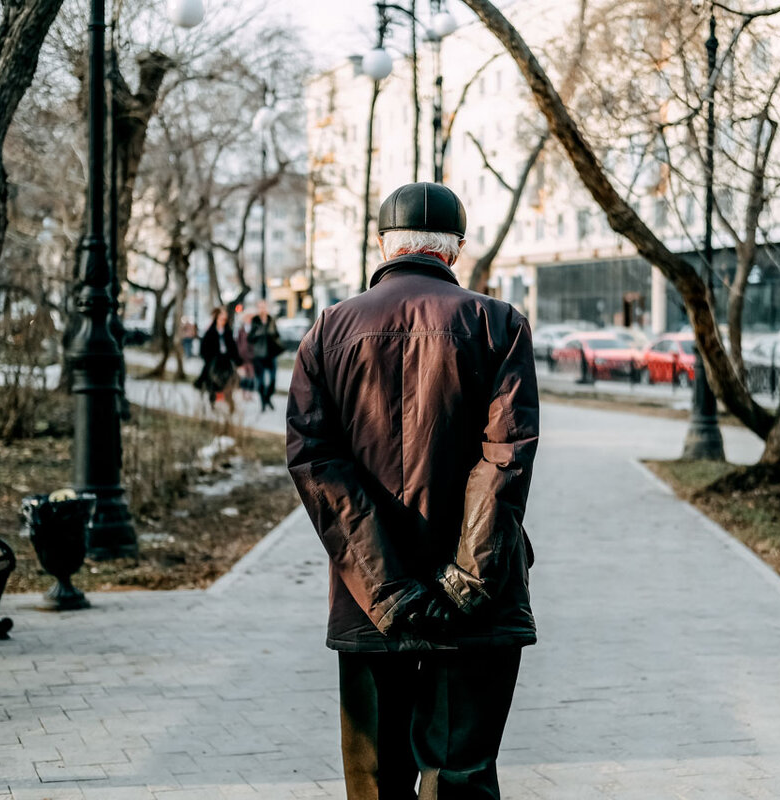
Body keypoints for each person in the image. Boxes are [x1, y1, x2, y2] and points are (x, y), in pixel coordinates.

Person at [286, 182, 539, 800]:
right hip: (476, 602)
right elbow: (504, 460)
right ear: (453, 251)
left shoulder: (328, 331)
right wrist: (466, 578)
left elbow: (315, 462)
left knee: (376, 783)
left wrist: (389, 590)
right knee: (461, 776)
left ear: (382, 246)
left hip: (369, 599)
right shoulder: (497, 323)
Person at [194, 307, 241, 413]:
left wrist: (237, 361)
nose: (223, 320)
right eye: (221, 318)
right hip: (214, 361)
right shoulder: (210, 331)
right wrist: (209, 359)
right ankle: (213, 403)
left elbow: (233, 347)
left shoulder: (228, 331)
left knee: (228, 383)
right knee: (213, 383)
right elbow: (204, 348)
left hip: (226, 361)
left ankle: (230, 405)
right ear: (217, 318)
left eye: (225, 318)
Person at [245, 300, 283, 412]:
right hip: (259, 355)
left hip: (271, 354)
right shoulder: (255, 321)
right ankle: (263, 402)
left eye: (264, 307)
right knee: (260, 381)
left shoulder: (271, 320)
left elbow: (276, 334)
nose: (263, 309)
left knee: (273, 379)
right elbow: (250, 338)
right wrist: (258, 332)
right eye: (260, 307)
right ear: (258, 308)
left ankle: (268, 397)